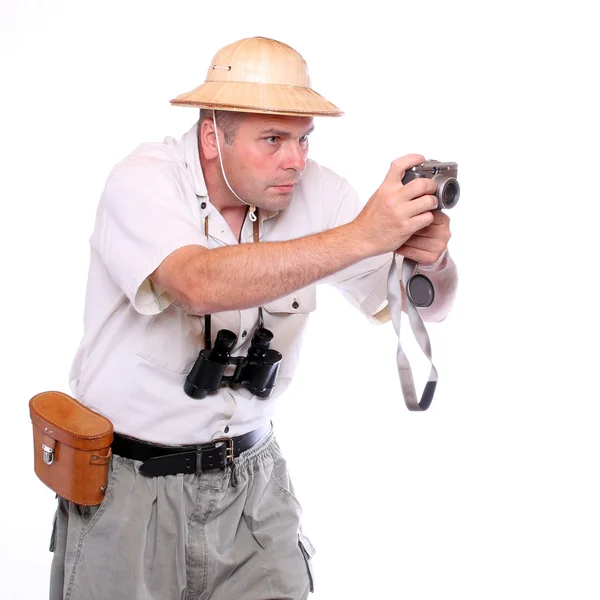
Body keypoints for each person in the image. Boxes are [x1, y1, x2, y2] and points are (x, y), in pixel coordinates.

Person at [48, 36, 458, 600]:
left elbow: (420, 308)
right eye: (273, 139)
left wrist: (431, 259)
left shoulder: (318, 191)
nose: (296, 158)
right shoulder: (142, 179)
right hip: (131, 490)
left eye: (303, 138)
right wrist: (363, 236)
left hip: (254, 485)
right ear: (212, 135)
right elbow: (197, 283)